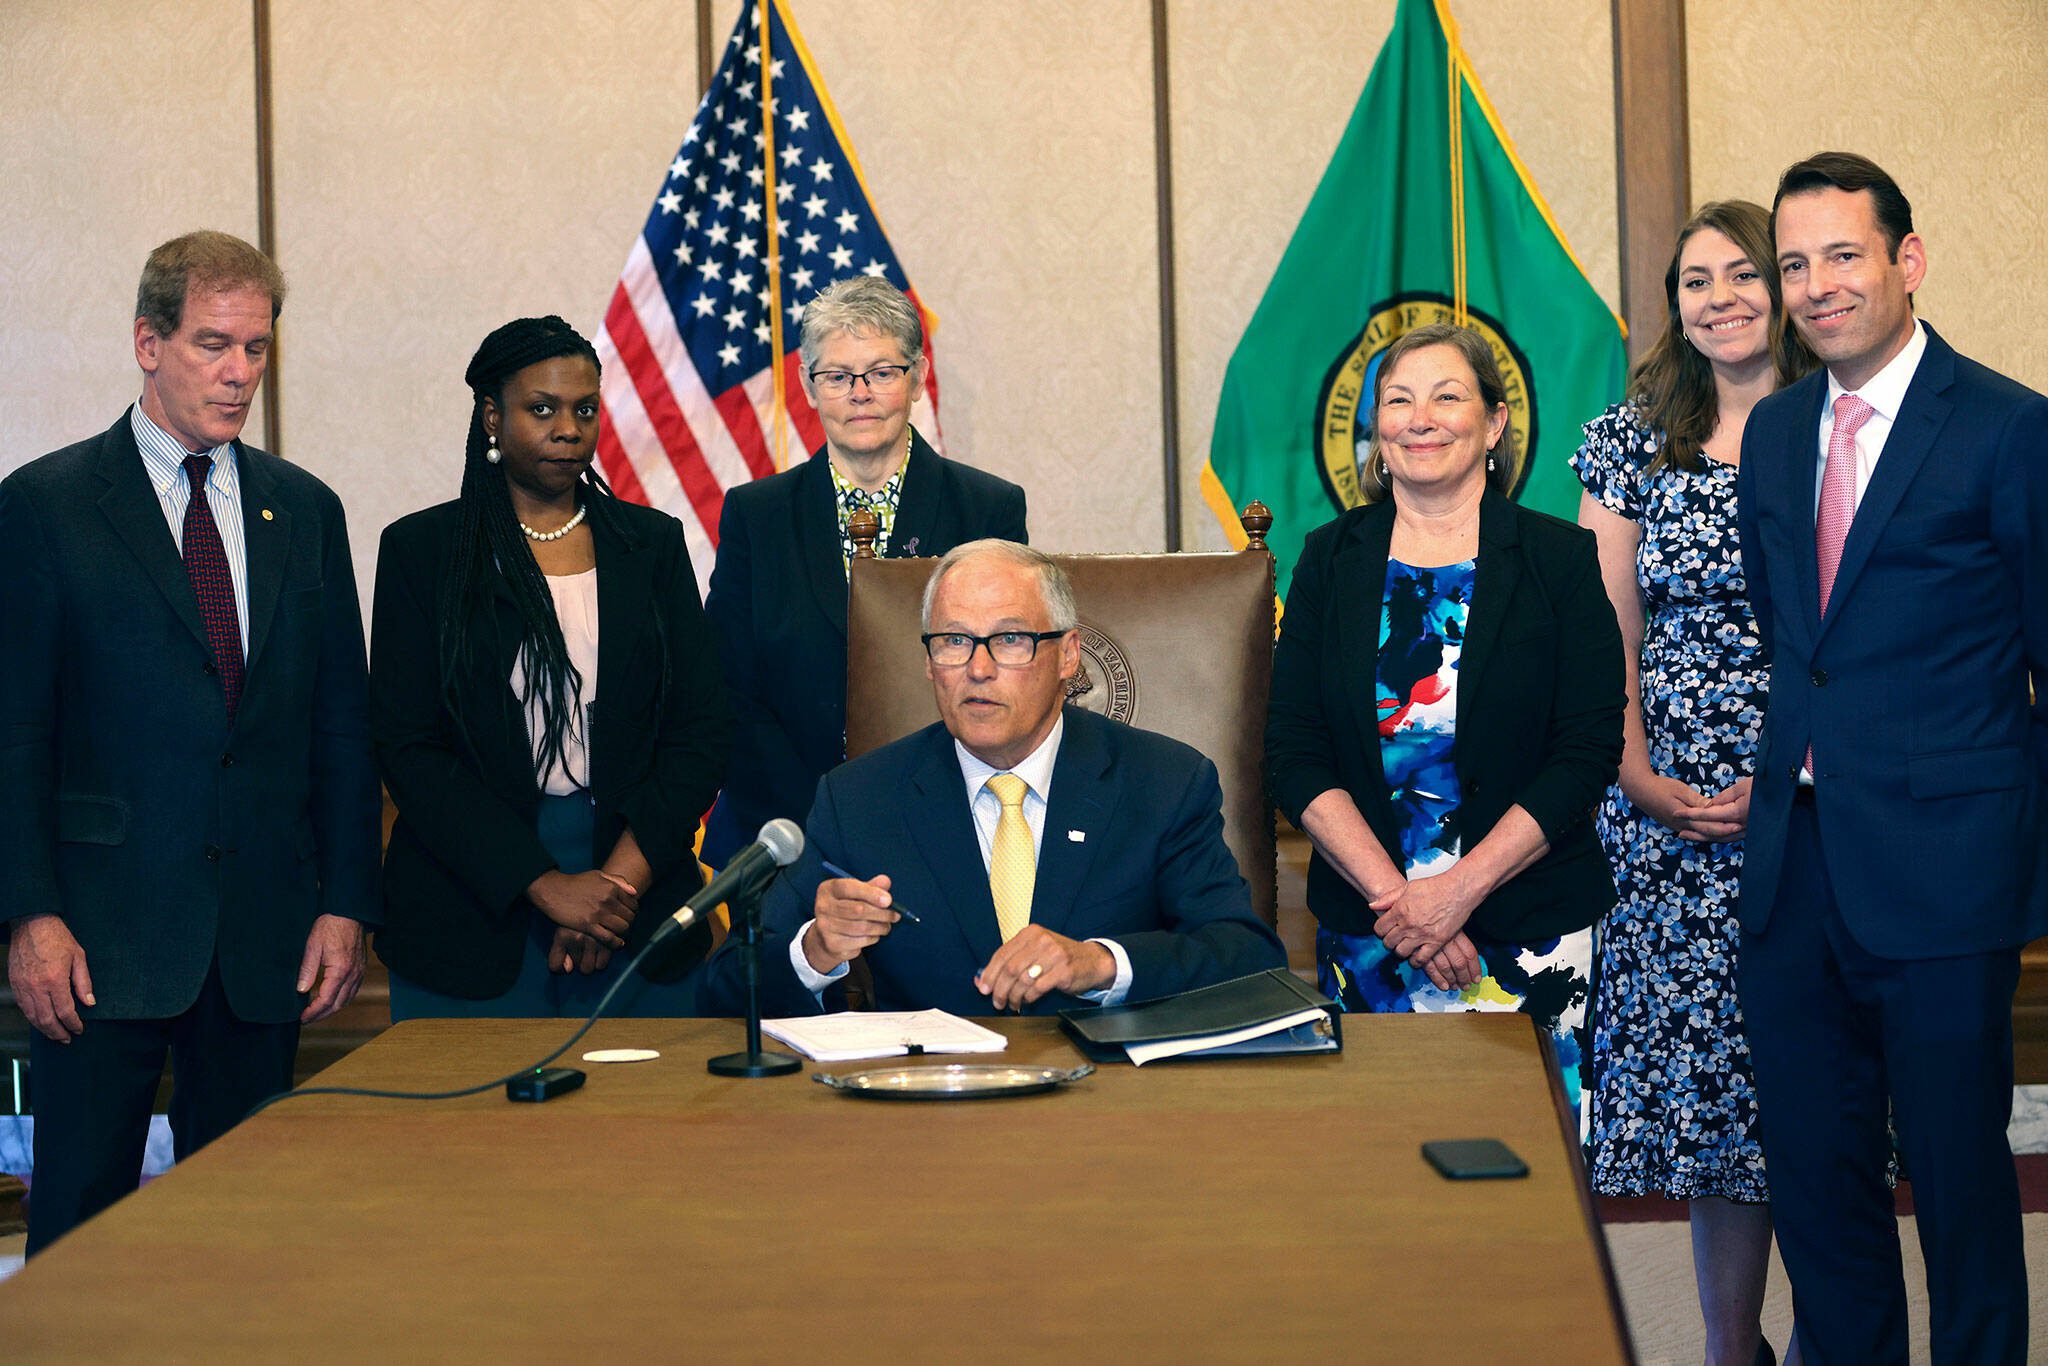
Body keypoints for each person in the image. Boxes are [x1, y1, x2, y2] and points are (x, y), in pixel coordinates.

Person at [0, 231, 380, 1254]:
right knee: (80, 1233)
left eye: (256, 349)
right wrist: (28, 914)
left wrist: (345, 899)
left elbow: (341, 723)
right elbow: (14, 735)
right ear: (147, 342)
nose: (238, 372)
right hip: (97, 944)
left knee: (248, 1239)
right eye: (214, 344)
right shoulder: (45, 507)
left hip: (264, 941)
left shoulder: (303, 509)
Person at [1735, 152, 2047, 1364]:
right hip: (1793, 870)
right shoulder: (1770, 432)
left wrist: (2016, 859)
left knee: (1964, 1187)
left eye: (1841, 255)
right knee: (1816, 1184)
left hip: (1943, 876)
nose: (1814, 287)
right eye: (1794, 264)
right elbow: (1791, 639)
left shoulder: (2010, 428)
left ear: (1904, 262)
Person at [1266, 323, 1623, 1116]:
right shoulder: (1328, 559)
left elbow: (1587, 751)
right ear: (1376, 431)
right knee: (1385, 1190)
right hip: (1373, 933)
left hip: (1530, 931)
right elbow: (1293, 750)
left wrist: (1458, 892)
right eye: (1398, 400)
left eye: (1447, 396)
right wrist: (1405, 905)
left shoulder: (1559, 558)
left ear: (1495, 423)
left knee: (1537, 1201)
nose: (1420, 417)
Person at [1572, 201, 1815, 1366]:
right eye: (1691, 280)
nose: (1717, 296)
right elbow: (1602, 619)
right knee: (1713, 1099)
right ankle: (1730, 1346)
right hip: (1668, 809)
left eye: (1740, 273)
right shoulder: (1628, 438)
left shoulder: (1835, 421)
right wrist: (1635, 771)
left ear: (1782, 286)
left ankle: (1834, 1329)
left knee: (1811, 1084)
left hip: (1818, 799)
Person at [705, 539, 1285, 1017]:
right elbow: (727, 988)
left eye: (1009, 639)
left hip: (1111, 1116)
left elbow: (1248, 957)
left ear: (1067, 656)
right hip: (931, 1114)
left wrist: (1100, 963)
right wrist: (816, 950)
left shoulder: (1163, 783)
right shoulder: (859, 799)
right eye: (954, 641)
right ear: (929, 662)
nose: (978, 669)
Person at [371, 316, 731, 1018]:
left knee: (647, 1124)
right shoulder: (423, 552)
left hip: (638, 884)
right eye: (542, 409)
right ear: (491, 418)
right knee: (477, 1126)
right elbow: (408, 747)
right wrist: (544, 885)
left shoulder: (650, 545)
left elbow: (702, 730)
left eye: (584, 409)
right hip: (473, 900)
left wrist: (613, 891)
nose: (568, 428)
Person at [701, 275, 1026, 867]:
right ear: (807, 385)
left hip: (945, 823)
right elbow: (727, 687)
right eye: (837, 376)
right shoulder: (757, 515)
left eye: (881, 372)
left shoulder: (987, 508)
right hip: (784, 827)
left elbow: (1000, 674)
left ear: (918, 378)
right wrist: (822, 813)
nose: (860, 394)